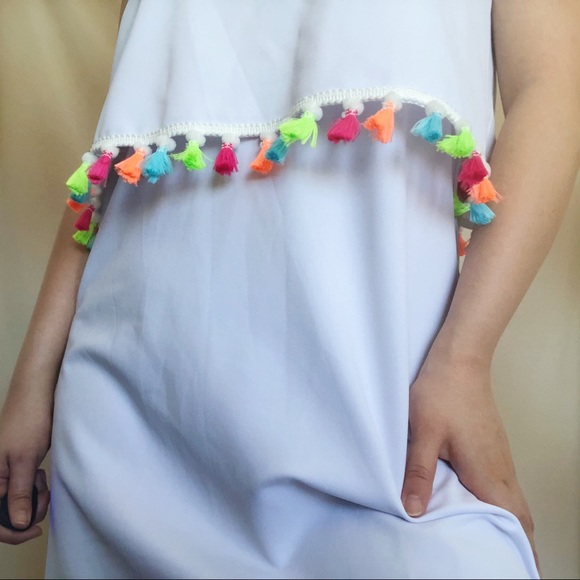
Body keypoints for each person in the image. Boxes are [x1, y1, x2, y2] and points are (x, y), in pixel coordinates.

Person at [0, 0, 578, 577]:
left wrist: (465, 358)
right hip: (130, 419)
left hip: (380, 423)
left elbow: (552, 84)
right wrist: (33, 376)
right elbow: (125, 142)